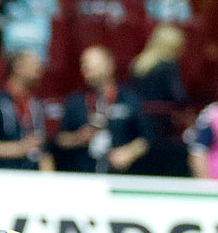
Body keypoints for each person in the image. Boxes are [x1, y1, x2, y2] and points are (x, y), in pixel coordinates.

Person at [55, 45, 150, 173]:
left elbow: (146, 138)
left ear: (109, 66)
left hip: (120, 175)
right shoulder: (76, 100)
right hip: (83, 173)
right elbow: (61, 139)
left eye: (92, 65)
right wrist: (78, 138)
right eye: (84, 65)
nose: (85, 69)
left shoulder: (129, 98)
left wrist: (129, 152)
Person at [0, 50, 49, 170]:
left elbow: (43, 149)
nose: (39, 68)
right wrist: (20, 148)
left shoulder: (36, 103)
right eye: (33, 64)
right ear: (18, 66)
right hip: (4, 173)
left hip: (32, 174)